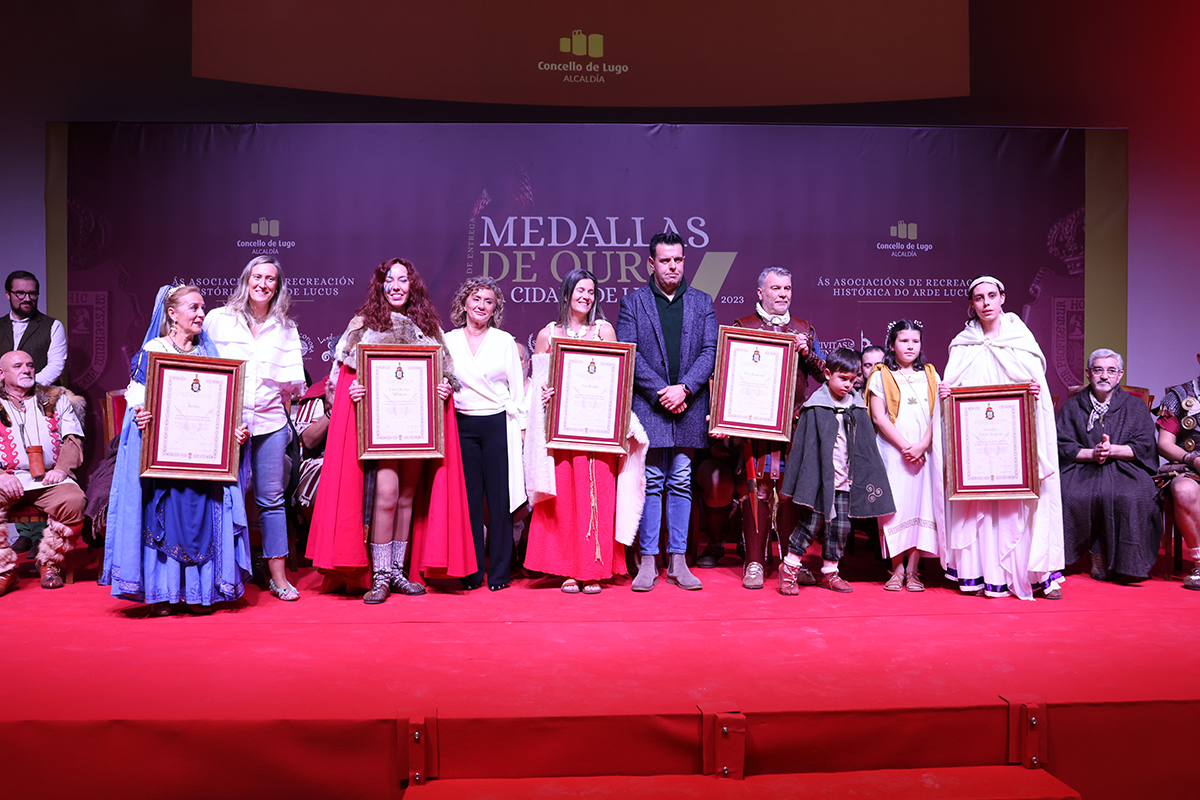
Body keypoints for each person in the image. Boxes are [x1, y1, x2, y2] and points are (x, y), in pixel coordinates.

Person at [307, 258, 474, 602]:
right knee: (386, 495)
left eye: (403, 280)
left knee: (406, 497)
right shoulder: (362, 325)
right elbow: (343, 376)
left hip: (417, 426)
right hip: (379, 428)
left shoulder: (428, 328)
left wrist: (444, 387)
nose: (396, 286)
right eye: (390, 280)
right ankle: (380, 575)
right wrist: (351, 390)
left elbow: (444, 373)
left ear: (412, 285)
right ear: (381, 286)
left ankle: (397, 571)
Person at [99, 286, 252, 614]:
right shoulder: (154, 351)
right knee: (165, 521)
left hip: (202, 462)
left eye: (202, 307)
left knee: (202, 522)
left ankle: (199, 594)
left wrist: (235, 430)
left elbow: (223, 405)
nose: (201, 314)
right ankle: (163, 594)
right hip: (165, 460)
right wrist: (140, 413)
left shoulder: (209, 355)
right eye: (193, 307)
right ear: (172, 314)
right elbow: (137, 397)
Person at [697, 266, 826, 589]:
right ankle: (754, 563)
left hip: (793, 426)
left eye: (787, 288)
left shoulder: (804, 329)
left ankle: (790, 563)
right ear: (760, 292)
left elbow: (824, 375)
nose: (782, 294)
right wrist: (721, 418)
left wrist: (808, 353)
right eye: (775, 288)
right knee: (758, 489)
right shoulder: (741, 327)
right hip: (753, 427)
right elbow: (722, 375)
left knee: (790, 494)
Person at [939, 276, 1065, 600]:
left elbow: (1035, 386)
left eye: (991, 296)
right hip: (978, 444)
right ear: (972, 304)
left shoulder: (1020, 338)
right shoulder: (962, 344)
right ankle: (983, 573)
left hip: (1016, 441)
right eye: (979, 298)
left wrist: (1033, 390)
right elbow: (955, 391)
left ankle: (1033, 574)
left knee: (1020, 500)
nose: (986, 303)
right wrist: (947, 393)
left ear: (1002, 298)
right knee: (979, 499)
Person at [523, 269, 648, 594]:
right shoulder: (547, 335)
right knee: (564, 499)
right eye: (580, 290)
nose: (586, 297)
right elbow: (538, 386)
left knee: (598, 496)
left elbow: (617, 379)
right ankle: (567, 569)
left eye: (591, 292)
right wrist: (544, 395)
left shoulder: (604, 331)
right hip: (560, 433)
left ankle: (592, 569)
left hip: (598, 433)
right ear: (567, 294)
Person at [617, 231, 718, 591]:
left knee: (681, 481)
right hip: (651, 405)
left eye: (677, 260)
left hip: (689, 405)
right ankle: (648, 560)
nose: (672, 266)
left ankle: (678, 561)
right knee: (653, 481)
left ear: (684, 261)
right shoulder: (633, 303)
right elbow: (629, 351)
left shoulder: (702, 301)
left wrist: (685, 388)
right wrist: (663, 393)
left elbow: (710, 351)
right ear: (651, 263)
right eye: (665, 260)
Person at [203, 256, 305, 601]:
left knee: (272, 500)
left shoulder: (286, 328)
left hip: (270, 423)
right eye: (257, 276)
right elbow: (200, 365)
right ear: (246, 280)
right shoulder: (218, 319)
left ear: (278, 287)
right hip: (226, 424)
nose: (262, 284)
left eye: (270, 279)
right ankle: (217, 573)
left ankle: (279, 578)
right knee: (220, 498)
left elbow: (290, 388)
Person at [779, 348, 895, 594]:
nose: (847, 385)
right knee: (810, 525)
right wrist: (791, 486)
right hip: (819, 481)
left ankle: (830, 572)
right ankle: (789, 568)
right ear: (828, 374)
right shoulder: (815, 406)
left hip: (845, 481)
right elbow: (801, 448)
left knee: (840, 528)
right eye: (842, 378)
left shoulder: (857, 408)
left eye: (852, 380)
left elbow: (866, 448)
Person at [444, 276, 526, 591]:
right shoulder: (448, 340)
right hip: (461, 424)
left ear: (495, 309)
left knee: (500, 499)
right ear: (464, 303)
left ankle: (501, 572)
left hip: (498, 423)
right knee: (470, 501)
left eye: (488, 301)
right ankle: (472, 571)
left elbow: (517, 390)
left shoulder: (504, 341)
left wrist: (521, 427)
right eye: (476, 299)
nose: (481, 305)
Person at [1057, 348, 1160, 582]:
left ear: (1120, 374)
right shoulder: (1072, 407)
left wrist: (1111, 450)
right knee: (1069, 493)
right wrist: (1093, 454)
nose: (1104, 376)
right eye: (1098, 370)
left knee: (1131, 495)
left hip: (1126, 467)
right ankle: (1096, 550)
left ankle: (1128, 563)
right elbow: (1062, 445)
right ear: (1088, 373)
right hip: (1082, 466)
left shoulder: (1135, 407)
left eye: (1111, 370)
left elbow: (1145, 446)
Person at [865, 320, 945, 591]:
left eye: (915, 341)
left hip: (925, 452)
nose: (910, 346)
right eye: (904, 341)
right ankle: (896, 569)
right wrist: (905, 447)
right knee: (895, 509)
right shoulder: (881, 375)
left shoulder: (931, 375)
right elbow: (879, 417)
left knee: (922, 507)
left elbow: (938, 414)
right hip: (893, 451)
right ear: (891, 344)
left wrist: (922, 445)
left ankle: (913, 571)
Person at [0, 350, 86, 596]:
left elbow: (73, 438)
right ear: (1, 374)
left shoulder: (56, 398)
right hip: (7, 477)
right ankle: (4, 570)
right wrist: (2, 476)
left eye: (30, 365)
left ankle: (50, 562)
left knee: (74, 501)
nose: (26, 369)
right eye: (18, 366)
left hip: (50, 478)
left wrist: (61, 469)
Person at [1155, 353, 1200, 590]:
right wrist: (1193, 459)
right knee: (1183, 490)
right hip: (1191, 467)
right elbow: (1164, 444)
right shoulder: (1178, 397)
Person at [0, 270, 67, 385]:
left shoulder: (53, 326)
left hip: (40, 393)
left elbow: (56, 367)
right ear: (8, 294)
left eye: (32, 294)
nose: (27, 299)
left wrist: (26, 385)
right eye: (20, 293)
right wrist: (8, 388)